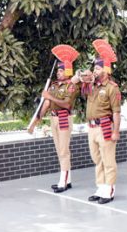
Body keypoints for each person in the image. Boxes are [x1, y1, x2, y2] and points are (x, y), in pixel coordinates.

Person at [28, 45, 81, 193]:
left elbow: (66, 103)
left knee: (64, 151)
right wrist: (36, 120)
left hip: (64, 118)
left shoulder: (71, 86)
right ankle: (67, 179)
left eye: (61, 70)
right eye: (57, 70)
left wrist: (49, 96)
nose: (58, 73)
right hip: (54, 119)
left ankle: (62, 182)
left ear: (68, 71)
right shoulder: (54, 85)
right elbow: (46, 104)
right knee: (60, 151)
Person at [84, 40, 121, 204]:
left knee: (108, 160)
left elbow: (116, 112)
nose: (94, 70)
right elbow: (79, 83)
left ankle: (109, 189)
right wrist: (85, 77)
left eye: (97, 68)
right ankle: (101, 187)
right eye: (94, 67)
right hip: (92, 127)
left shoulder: (112, 88)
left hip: (105, 126)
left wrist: (116, 131)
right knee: (96, 159)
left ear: (106, 69)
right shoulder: (92, 86)